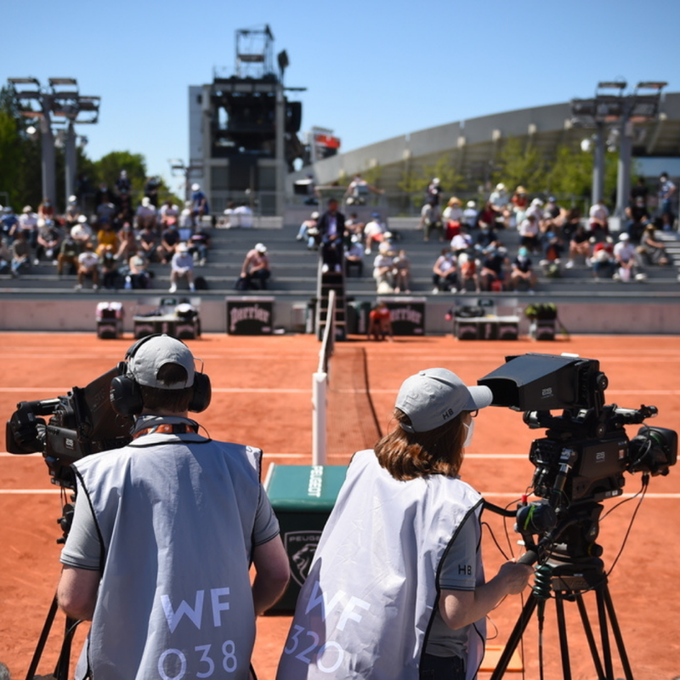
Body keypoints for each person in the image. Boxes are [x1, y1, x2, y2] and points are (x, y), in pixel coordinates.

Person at [57, 334, 290, 679]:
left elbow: (73, 599)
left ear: (126, 394)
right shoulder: (242, 465)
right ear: (198, 393)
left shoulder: (100, 475)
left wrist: (136, 622)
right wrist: (235, 616)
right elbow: (278, 574)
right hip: (224, 667)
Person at [277, 368, 532, 680]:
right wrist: (506, 581)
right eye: (468, 414)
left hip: (343, 648)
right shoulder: (454, 504)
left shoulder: (363, 464)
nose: (470, 421)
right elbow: (457, 612)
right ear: (454, 427)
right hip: (426, 664)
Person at [316, 198, 346, 273]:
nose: (335, 207)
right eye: (334, 205)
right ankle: (326, 264)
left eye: (336, 205)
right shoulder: (324, 216)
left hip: (337, 236)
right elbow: (319, 226)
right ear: (329, 206)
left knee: (338, 246)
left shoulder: (340, 216)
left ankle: (338, 265)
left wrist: (337, 235)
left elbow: (342, 229)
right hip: (327, 236)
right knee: (325, 245)